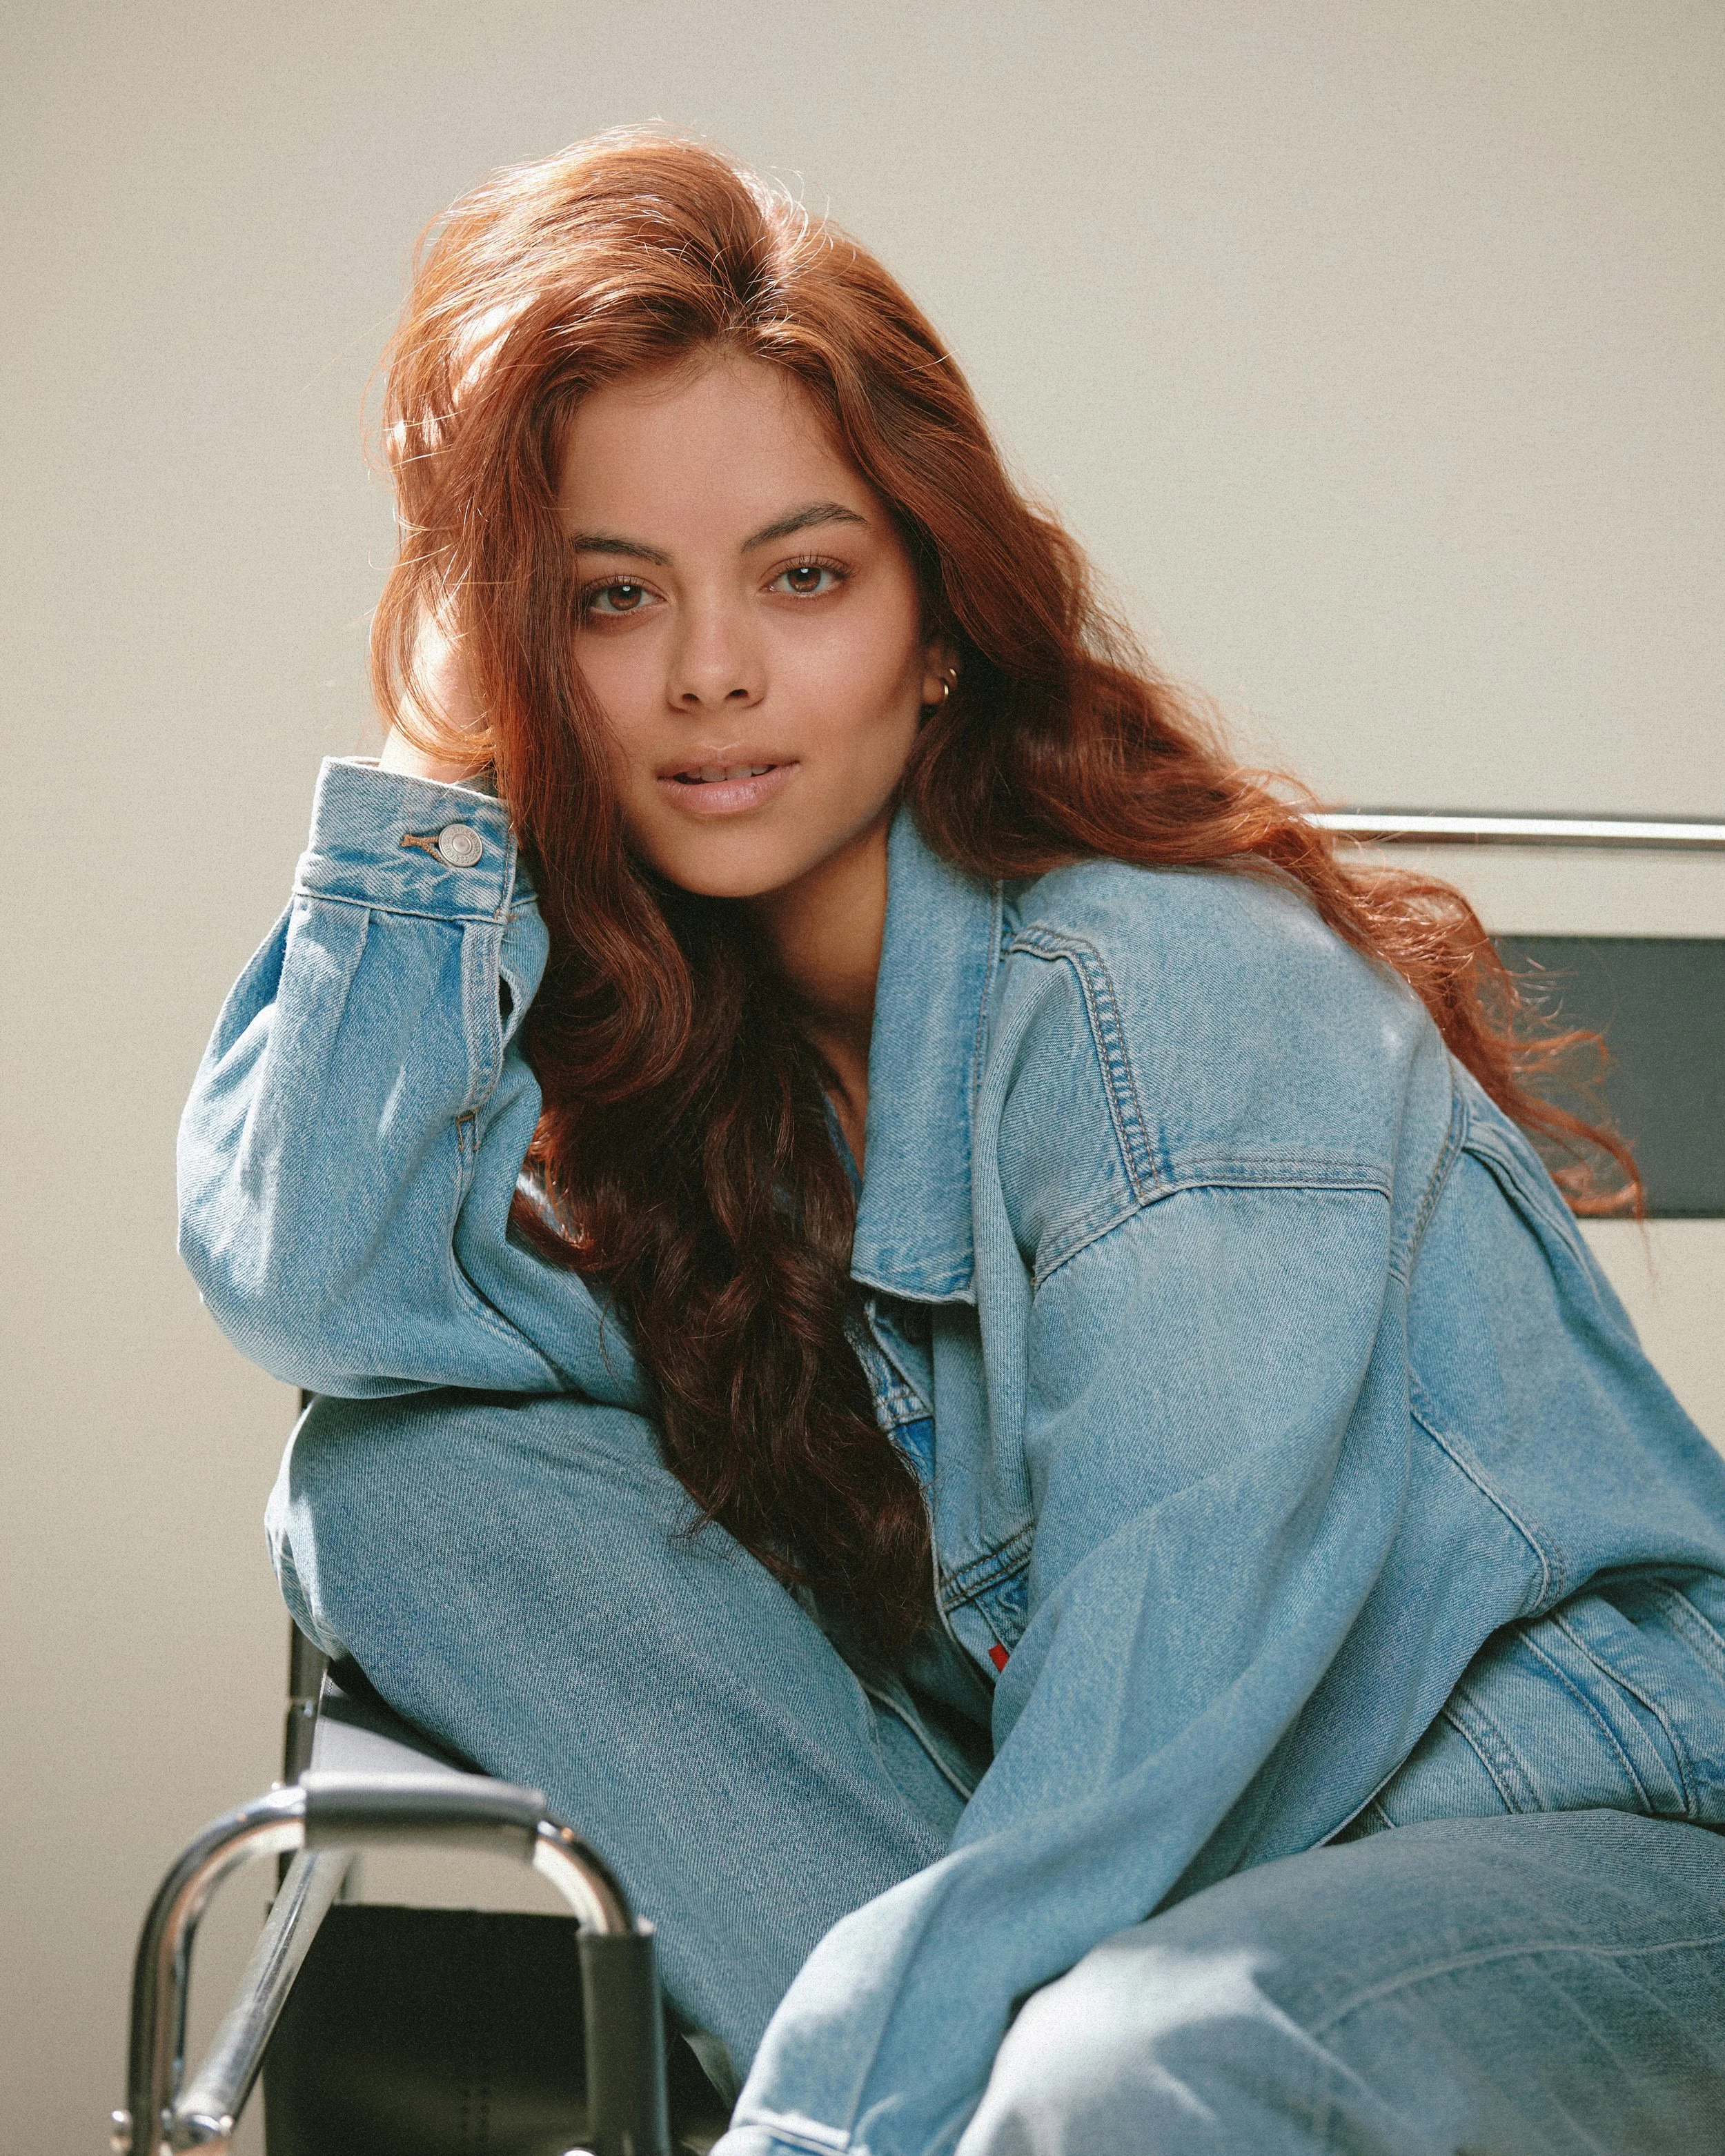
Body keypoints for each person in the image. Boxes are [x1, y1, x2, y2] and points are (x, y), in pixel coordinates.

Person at [178, 132, 1725, 2155]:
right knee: (407, 1477)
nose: (713, 671)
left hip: (1574, 1849)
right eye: (609, 598)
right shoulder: (691, 1078)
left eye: (801, 576)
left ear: (935, 623)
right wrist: (450, 737)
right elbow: (331, 1292)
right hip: (1131, 1890)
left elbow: (1153, 1740)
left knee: (1132, 2069)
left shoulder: (1155, 999)